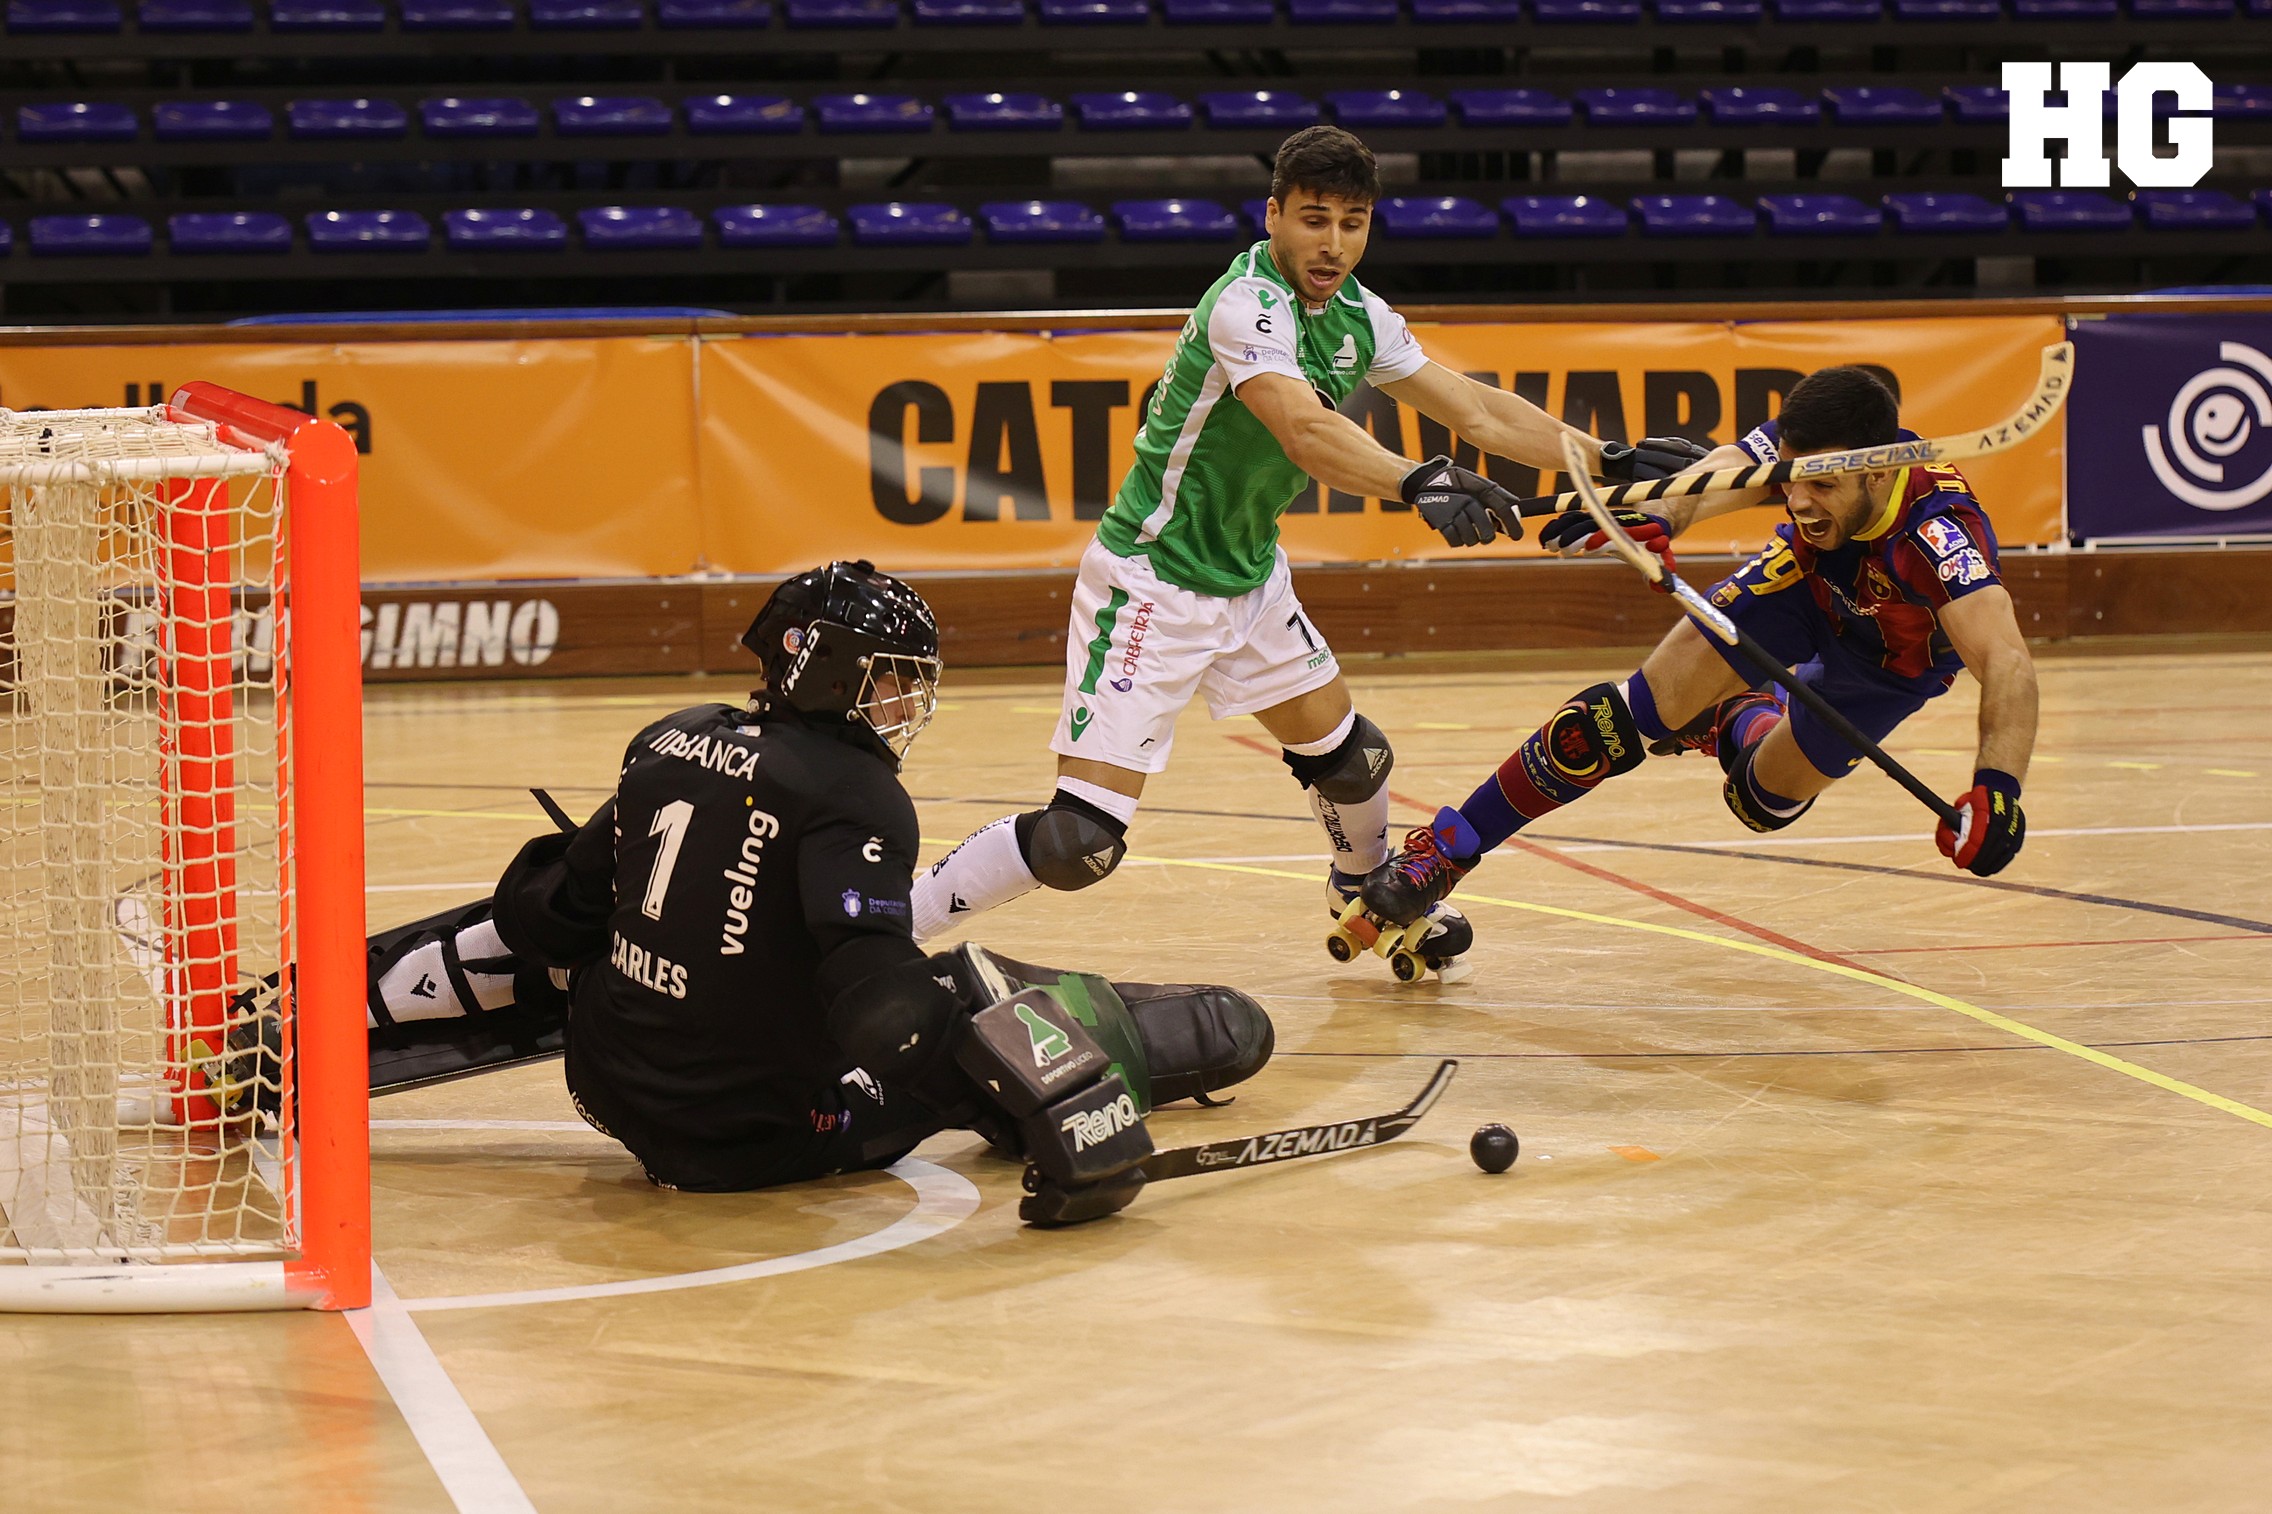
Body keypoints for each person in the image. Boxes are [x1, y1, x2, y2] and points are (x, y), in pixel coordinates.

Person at [908, 124, 1708, 979]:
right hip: (1153, 586)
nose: (1333, 245)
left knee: (1354, 759)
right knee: (1080, 841)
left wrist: (1604, 461)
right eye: (1314, 220)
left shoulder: (1360, 315)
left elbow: (1475, 411)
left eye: (1353, 223)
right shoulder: (1244, 304)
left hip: (1250, 578)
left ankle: (1369, 898)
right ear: (1274, 216)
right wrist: (1419, 482)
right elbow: (1305, 431)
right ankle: (882, 927)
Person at [296, 562, 1274, 1228]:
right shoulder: (857, 796)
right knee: (966, 993)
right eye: (894, 682)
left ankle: (329, 1018)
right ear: (840, 673)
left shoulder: (670, 736)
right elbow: (880, 1008)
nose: (904, 705)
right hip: (745, 1137)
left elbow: (543, 913)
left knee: (615, 940)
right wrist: (1027, 1116)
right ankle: (1112, 1068)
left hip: (602, 1078)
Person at [1358, 365, 2040, 935]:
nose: (1798, 500)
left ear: (1879, 476)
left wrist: (1998, 790)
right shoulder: (1811, 458)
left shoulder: (1940, 534)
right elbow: (1722, 474)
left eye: (1823, 487)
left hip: (1890, 666)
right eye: (1793, 478)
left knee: (1759, 803)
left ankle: (1735, 716)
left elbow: (2007, 662)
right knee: (1618, 722)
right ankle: (1446, 852)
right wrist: (1660, 512)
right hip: (1800, 585)